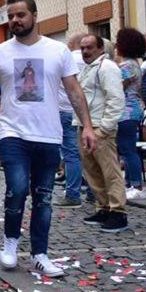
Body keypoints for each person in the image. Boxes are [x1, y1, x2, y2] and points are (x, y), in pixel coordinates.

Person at [0, 0, 96, 278]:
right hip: (13, 132)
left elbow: (74, 90)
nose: (15, 20)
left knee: (44, 197)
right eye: (11, 16)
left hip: (48, 134)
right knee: (16, 189)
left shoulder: (57, 51)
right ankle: (10, 241)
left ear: (34, 16)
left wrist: (87, 125)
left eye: (21, 15)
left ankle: (40, 253)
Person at [75, 35, 128, 233]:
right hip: (85, 126)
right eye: (82, 48)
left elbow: (116, 99)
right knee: (92, 171)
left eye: (89, 47)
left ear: (100, 48)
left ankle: (118, 210)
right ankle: (104, 206)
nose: (85, 52)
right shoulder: (88, 69)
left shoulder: (107, 67)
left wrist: (105, 127)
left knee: (109, 170)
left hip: (100, 127)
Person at [113, 29, 146, 200]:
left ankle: (136, 184)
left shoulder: (127, 66)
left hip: (126, 111)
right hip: (131, 110)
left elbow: (117, 87)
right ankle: (130, 183)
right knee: (127, 149)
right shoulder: (134, 63)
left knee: (127, 149)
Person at [54, 33, 87, 207]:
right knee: (88, 152)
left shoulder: (66, 58)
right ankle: (92, 191)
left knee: (71, 154)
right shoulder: (89, 61)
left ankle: (73, 193)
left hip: (65, 110)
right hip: (85, 111)